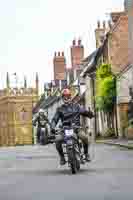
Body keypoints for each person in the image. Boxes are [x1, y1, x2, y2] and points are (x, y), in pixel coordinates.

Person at [51, 88, 94, 165]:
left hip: (76, 128)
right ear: (62, 98)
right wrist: (52, 127)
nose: (66, 98)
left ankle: (86, 154)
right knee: (57, 140)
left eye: (68, 96)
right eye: (64, 96)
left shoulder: (76, 106)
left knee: (84, 137)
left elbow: (84, 111)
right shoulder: (60, 109)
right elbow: (55, 119)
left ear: (70, 97)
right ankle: (62, 157)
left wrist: (89, 114)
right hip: (64, 129)